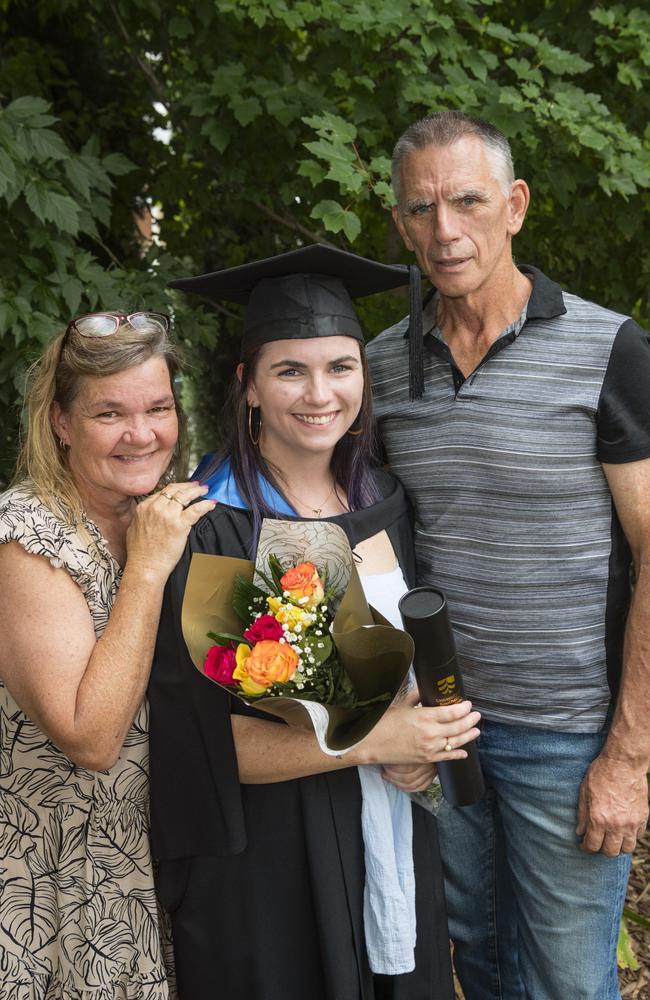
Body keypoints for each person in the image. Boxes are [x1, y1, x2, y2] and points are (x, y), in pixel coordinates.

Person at [147, 244, 481, 1000]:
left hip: (394, 837)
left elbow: (416, 670)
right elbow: (201, 747)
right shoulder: (211, 522)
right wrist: (372, 740)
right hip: (270, 870)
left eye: (340, 367)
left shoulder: (386, 503)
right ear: (249, 387)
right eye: (289, 370)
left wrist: (421, 746)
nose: (319, 393)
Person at [367, 110, 650, 1000]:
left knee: (567, 983)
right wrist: (391, 710)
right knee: (476, 965)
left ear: (515, 205)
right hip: (441, 728)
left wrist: (630, 757)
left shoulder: (609, 348)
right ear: (401, 224)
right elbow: (364, 539)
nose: (444, 231)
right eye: (420, 209)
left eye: (466, 201)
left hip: (569, 735)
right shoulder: (376, 367)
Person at [0, 311, 215, 998]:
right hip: (58, 885)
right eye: (109, 414)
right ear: (61, 422)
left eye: (157, 407)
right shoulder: (25, 538)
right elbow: (89, 738)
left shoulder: (163, 521)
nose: (142, 433)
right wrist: (147, 573)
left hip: (156, 868)